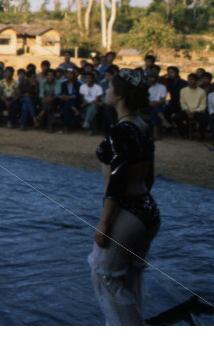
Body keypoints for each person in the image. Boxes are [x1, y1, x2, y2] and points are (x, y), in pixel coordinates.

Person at [89, 68, 160, 326]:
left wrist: (104, 223)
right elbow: (149, 175)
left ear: (119, 96)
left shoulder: (122, 131)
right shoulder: (142, 127)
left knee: (106, 277)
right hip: (148, 210)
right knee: (129, 276)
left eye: (109, 88)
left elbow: (117, 183)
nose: (106, 91)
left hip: (127, 211)